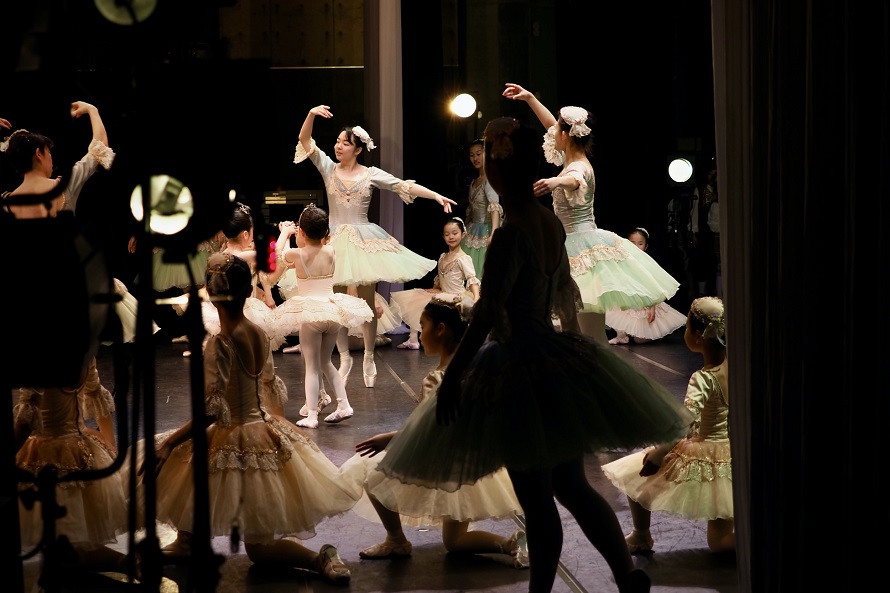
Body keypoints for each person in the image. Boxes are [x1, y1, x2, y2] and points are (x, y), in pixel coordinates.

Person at [375, 117, 692, 593]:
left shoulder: (513, 232)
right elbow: (560, 294)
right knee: (572, 486)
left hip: (518, 363)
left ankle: (542, 590)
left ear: (501, 173)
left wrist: (458, 373)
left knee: (537, 495)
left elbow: (487, 312)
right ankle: (624, 574)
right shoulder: (547, 222)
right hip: (550, 351)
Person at [138, 252, 361, 585]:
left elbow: (213, 411)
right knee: (196, 468)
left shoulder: (220, 343)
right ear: (245, 292)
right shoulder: (257, 332)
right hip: (256, 425)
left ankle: (319, 557)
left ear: (211, 295)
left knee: (257, 545)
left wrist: (169, 443)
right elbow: (269, 388)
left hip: (235, 429)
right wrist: (275, 428)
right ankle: (186, 540)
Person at [345, 296, 528, 567]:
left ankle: (396, 539)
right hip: (472, 461)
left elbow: (433, 429)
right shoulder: (476, 369)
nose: (421, 333)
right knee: (454, 543)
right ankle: (512, 542)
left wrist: (389, 439)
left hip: (445, 462)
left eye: (423, 325)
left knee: (371, 472)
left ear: (440, 329)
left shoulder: (439, 378)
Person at [502, 83, 680, 344]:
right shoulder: (571, 157)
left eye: (558, 132)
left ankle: (594, 376)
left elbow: (576, 180)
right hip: (572, 243)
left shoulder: (578, 167)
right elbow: (552, 125)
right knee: (581, 328)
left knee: (588, 331)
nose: (553, 134)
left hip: (580, 248)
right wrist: (529, 98)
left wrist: (555, 182)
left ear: (566, 136)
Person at [294, 104, 457, 388]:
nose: (338, 146)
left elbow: (401, 186)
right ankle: (345, 356)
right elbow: (306, 141)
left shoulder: (370, 174)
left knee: (366, 301)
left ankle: (368, 355)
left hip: (363, 240)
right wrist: (310, 114)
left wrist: (435, 195)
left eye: (345, 143)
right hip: (333, 241)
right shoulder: (328, 168)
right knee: (339, 301)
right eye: (337, 141)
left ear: (358, 149)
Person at [602, 296, 733, 554]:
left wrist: (660, 452)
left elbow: (687, 421)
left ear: (697, 336)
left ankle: (641, 534)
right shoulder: (735, 368)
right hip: (732, 454)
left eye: (686, 327)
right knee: (720, 538)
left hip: (706, 450)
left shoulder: (703, 378)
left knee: (635, 471)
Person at [272, 204, 374, 427]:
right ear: (326, 234)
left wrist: (285, 233)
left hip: (311, 314)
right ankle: (344, 404)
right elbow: (317, 244)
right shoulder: (331, 250)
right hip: (332, 311)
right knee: (326, 362)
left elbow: (277, 257)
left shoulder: (296, 254)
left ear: (303, 233)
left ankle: (311, 416)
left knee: (311, 367)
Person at [390, 216, 480, 350]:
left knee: (428, 302)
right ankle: (413, 338)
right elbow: (441, 278)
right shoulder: (443, 256)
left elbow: (472, 279)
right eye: (447, 234)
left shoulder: (464, 258)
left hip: (456, 294)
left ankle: (430, 338)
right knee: (417, 297)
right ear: (443, 237)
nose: (451, 237)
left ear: (463, 234)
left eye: (454, 233)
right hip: (442, 292)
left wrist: (477, 297)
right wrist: (434, 288)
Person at [606, 228, 688, 344]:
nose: (636, 247)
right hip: (628, 300)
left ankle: (654, 333)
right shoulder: (623, 262)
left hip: (646, 302)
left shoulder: (647, 264)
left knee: (640, 340)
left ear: (645, 247)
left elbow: (654, 286)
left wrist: (652, 306)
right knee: (611, 308)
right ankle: (621, 336)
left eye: (640, 244)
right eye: (632, 243)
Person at [461, 138, 502, 277]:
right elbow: (471, 210)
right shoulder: (474, 182)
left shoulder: (489, 179)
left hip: (487, 228)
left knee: (484, 271)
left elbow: (494, 207)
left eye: (478, 154)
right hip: (473, 229)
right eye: (472, 155)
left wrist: (494, 232)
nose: (475, 158)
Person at [691, 161, 721, 298]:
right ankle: (702, 292)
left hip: (717, 231)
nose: (713, 176)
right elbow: (696, 211)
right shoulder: (702, 190)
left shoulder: (719, 190)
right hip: (704, 231)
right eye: (711, 173)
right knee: (703, 261)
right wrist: (694, 231)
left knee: (715, 263)